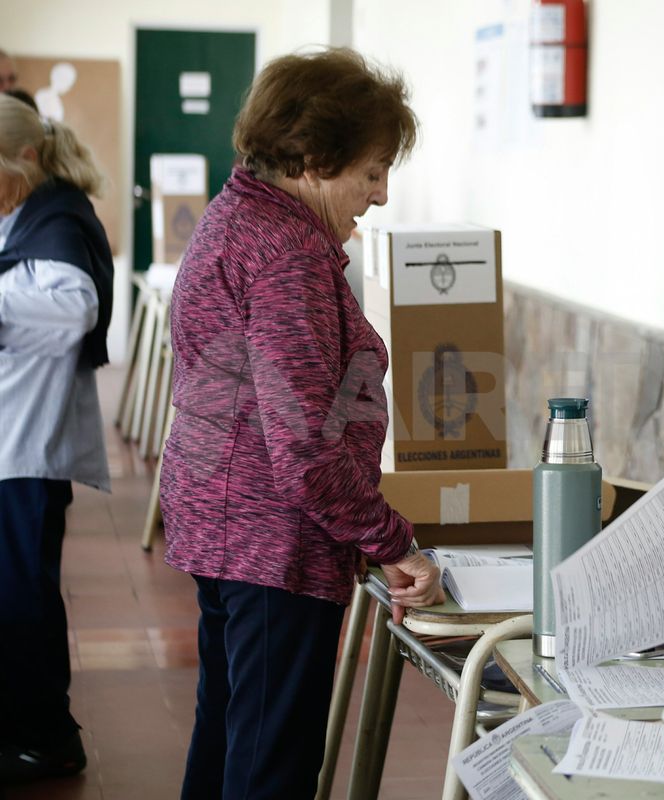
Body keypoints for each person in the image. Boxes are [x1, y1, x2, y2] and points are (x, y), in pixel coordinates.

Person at [160, 48, 444, 799]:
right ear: (315, 159)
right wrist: (391, 540)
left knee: (229, 735)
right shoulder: (286, 255)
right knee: (268, 765)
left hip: (227, 526)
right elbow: (307, 450)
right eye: (373, 171)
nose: (380, 196)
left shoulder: (240, 218)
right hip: (268, 541)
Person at [0, 95, 113, 783]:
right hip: (16, 439)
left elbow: (75, 309)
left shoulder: (60, 218)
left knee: (23, 594)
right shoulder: (32, 212)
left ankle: (44, 735)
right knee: (16, 590)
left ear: (28, 158)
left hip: (26, 448)